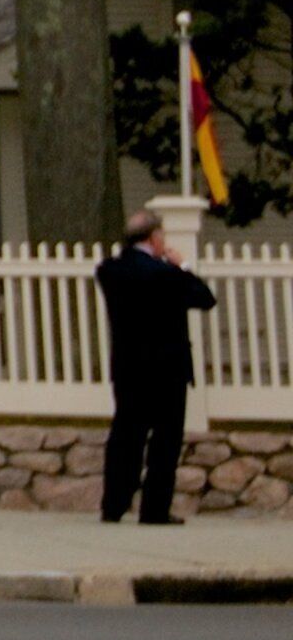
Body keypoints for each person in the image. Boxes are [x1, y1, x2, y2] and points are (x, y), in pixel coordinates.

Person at [96, 208, 219, 525]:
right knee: (165, 441)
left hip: (128, 368)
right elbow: (205, 299)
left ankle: (114, 505)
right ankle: (154, 509)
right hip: (167, 368)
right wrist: (183, 266)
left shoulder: (110, 270)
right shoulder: (166, 274)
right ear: (154, 237)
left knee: (125, 436)